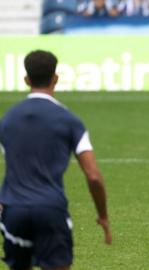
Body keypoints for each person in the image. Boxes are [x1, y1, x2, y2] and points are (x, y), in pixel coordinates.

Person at [0, 50, 111, 270]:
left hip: (14, 211)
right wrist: (103, 216)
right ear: (55, 79)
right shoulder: (70, 121)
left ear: (26, 80)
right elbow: (94, 177)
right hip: (50, 209)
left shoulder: (7, 119)